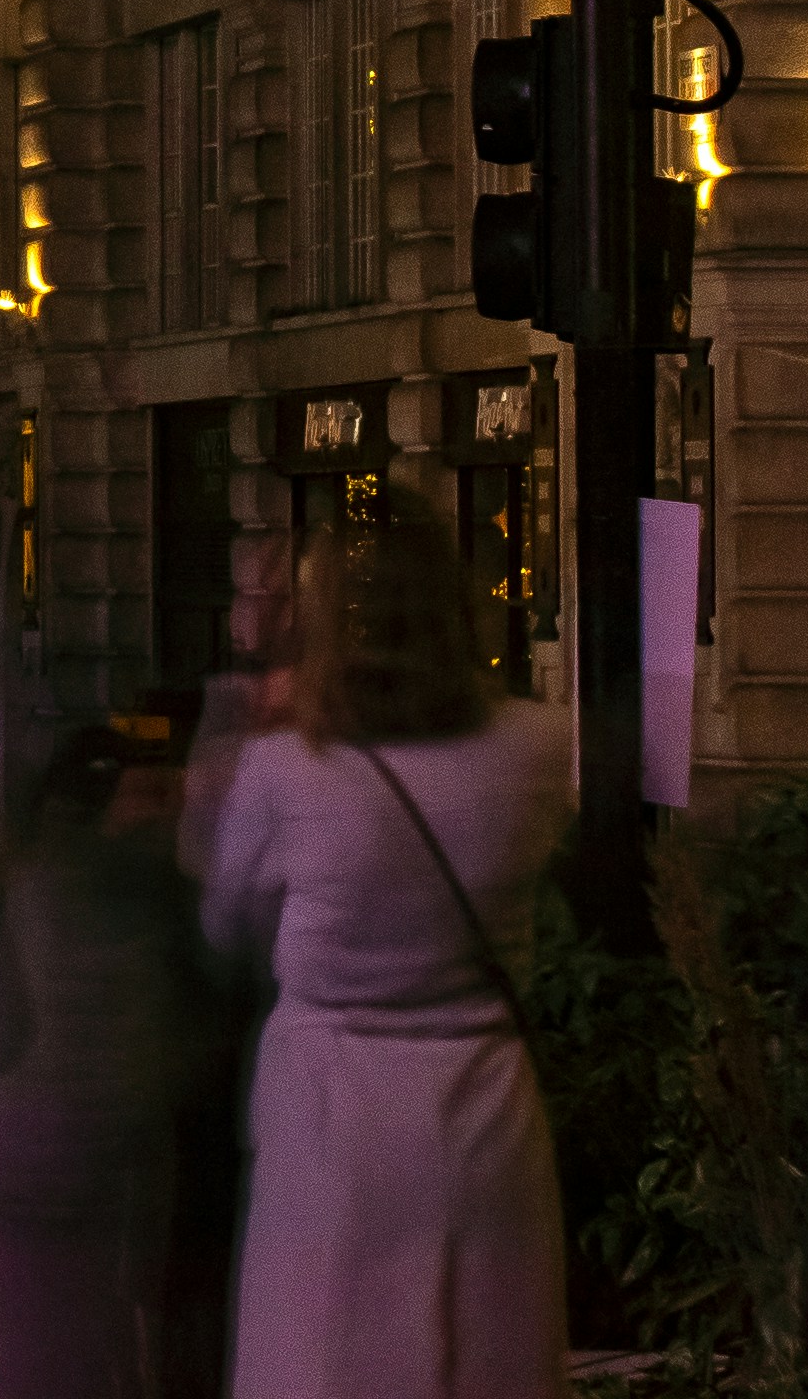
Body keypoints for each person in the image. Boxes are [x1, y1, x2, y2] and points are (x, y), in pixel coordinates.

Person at [201, 504, 567, 1399]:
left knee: (325, 1354)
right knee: (481, 1352)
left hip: (331, 1105)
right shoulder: (537, 746)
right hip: (484, 1095)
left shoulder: (283, 772)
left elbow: (226, 928)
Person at [0, 722, 206, 1398]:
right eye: (149, 795)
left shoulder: (11, 882)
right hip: (103, 1171)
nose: (168, 810)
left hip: (1, 1164)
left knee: (22, 1341)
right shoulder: (152, 896)